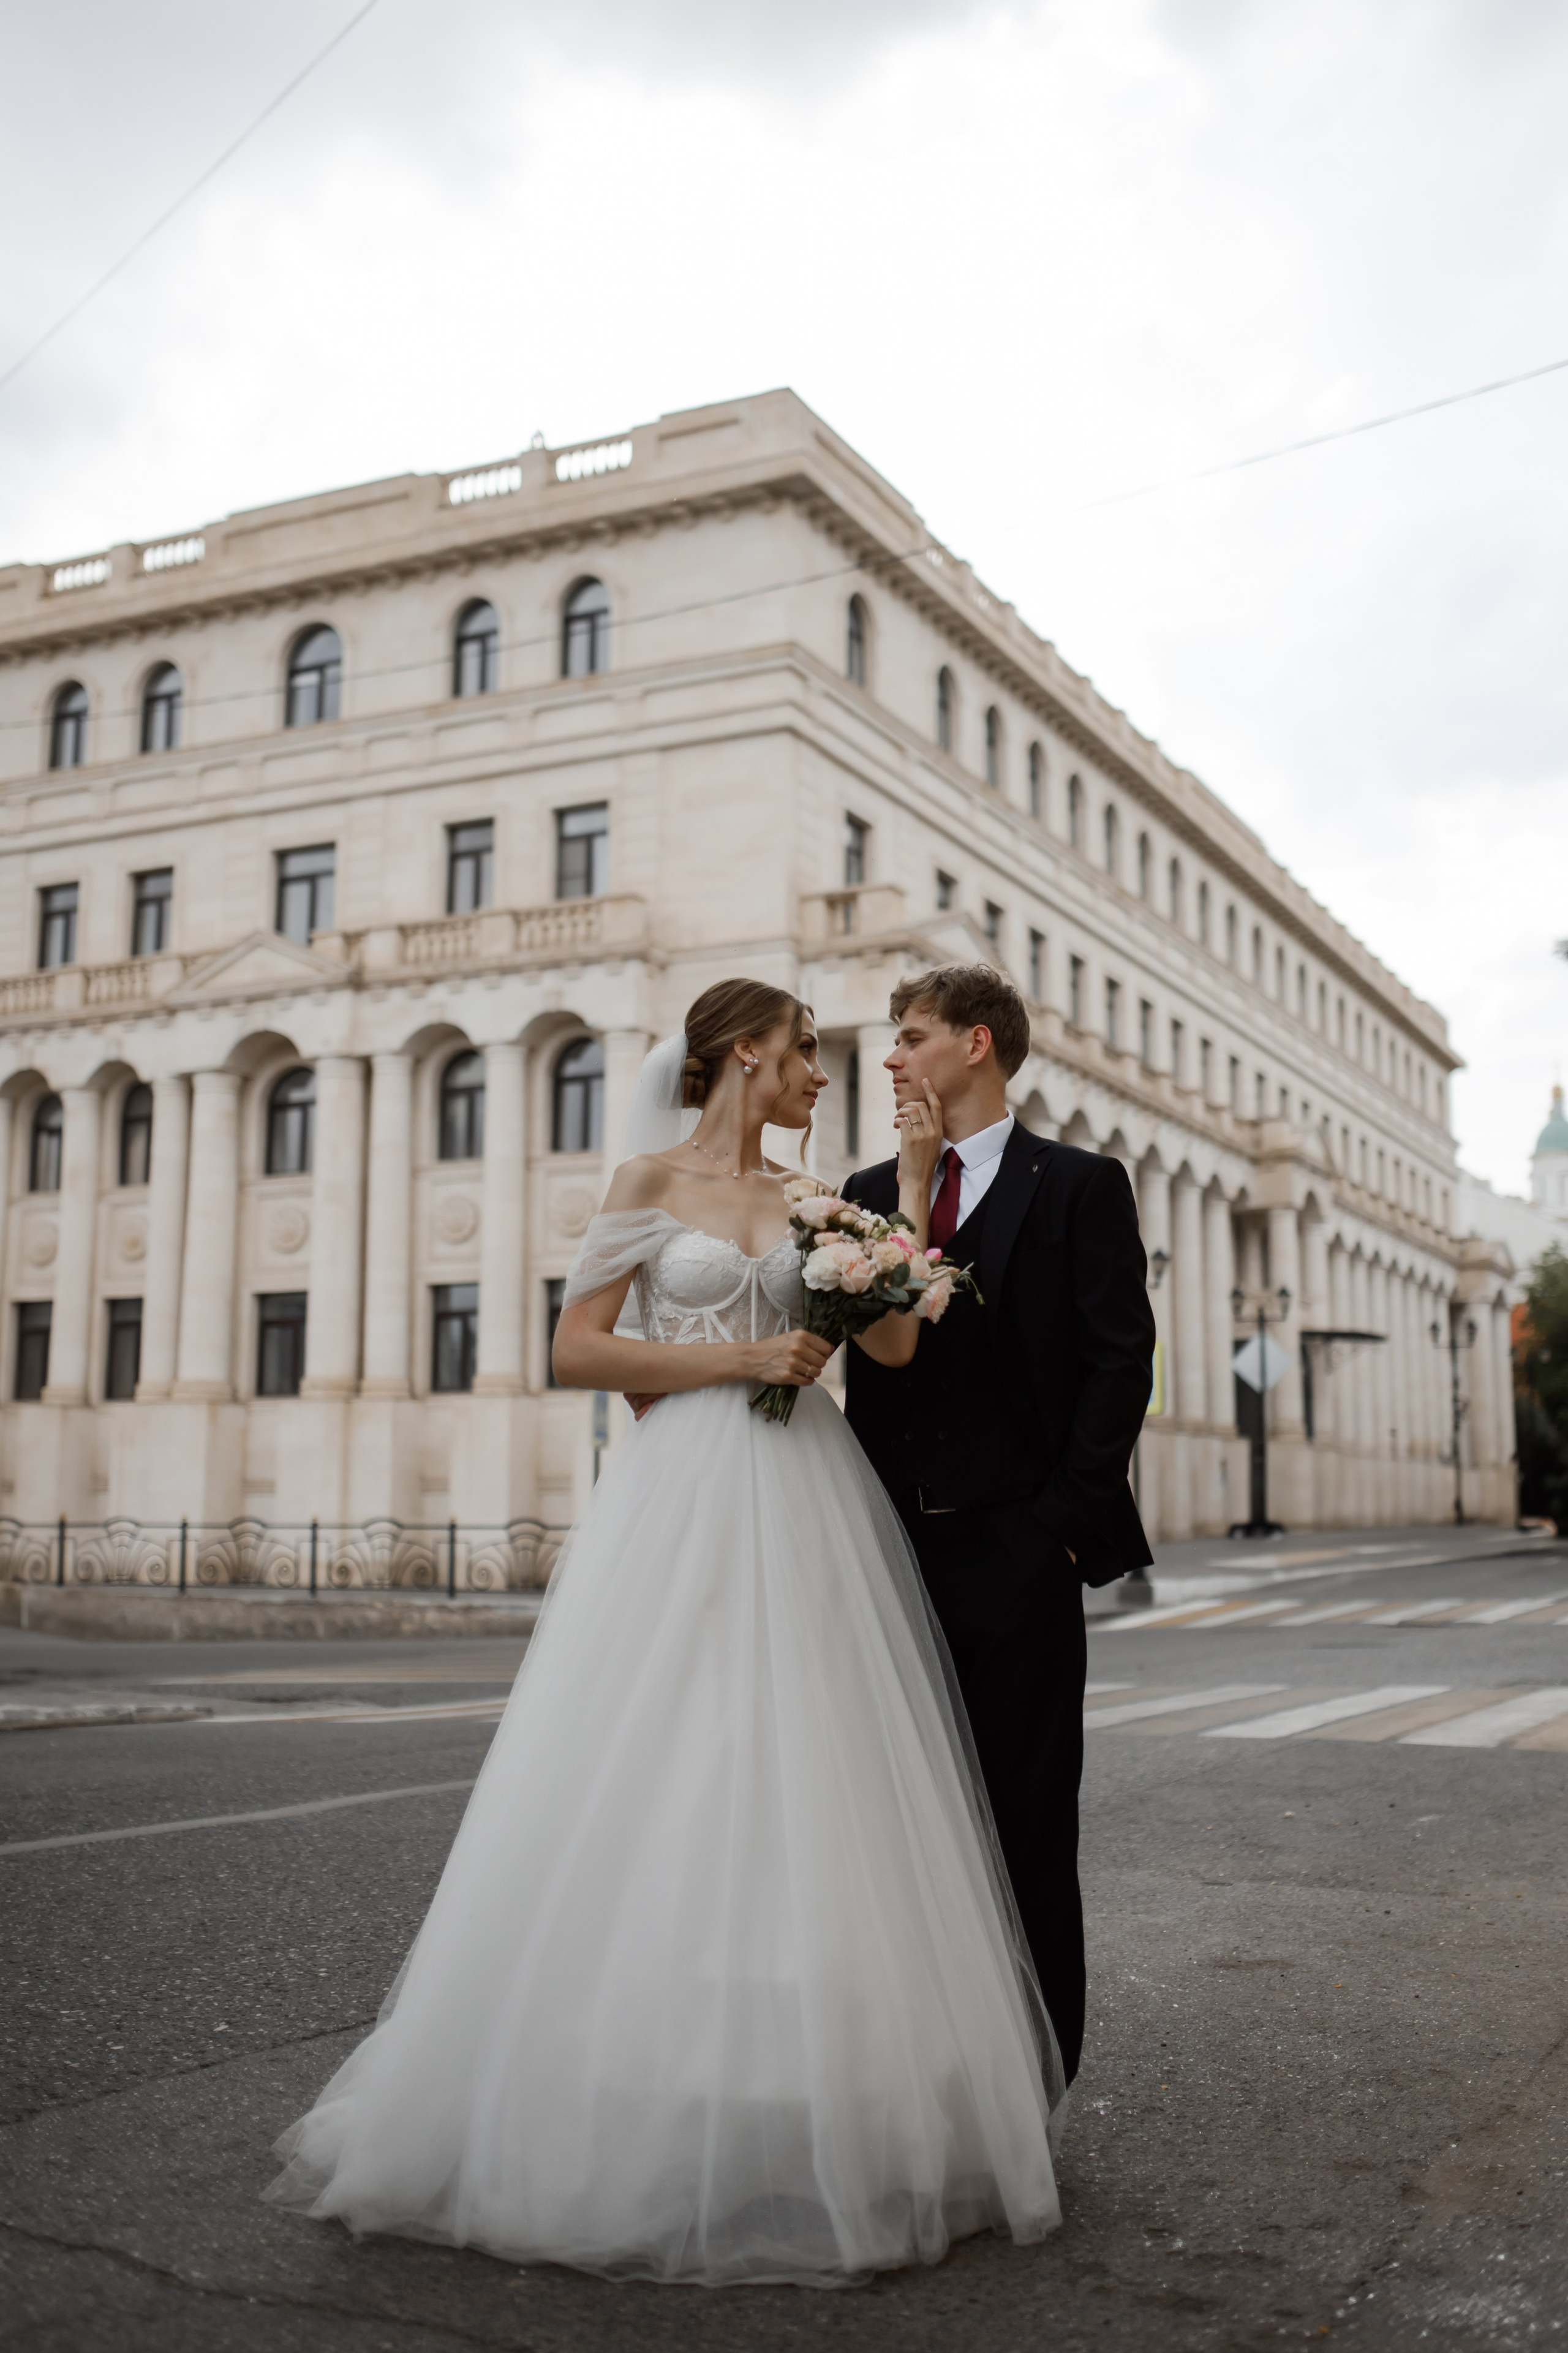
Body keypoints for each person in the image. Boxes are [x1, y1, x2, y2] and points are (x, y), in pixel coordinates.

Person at [265, 978, 1065, 2287]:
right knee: (663, 1752)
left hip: (808, 1497)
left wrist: (911, 1183)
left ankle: (794, 2080)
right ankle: (630, 2075)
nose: (822, 1073)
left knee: (808, 1761)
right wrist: (739, 1363)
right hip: (683, 1488)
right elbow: (577, 1349)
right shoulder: (644, 1178)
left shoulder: (817, 1199)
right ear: (741, 1055)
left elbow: (909, 1346)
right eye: (805, 1051)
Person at [843, 964, 1156, 2090]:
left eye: (911, 1036)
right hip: (882, 1553)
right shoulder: (870, 1188)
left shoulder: (1078, 1184)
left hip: (1018, 1553)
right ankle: (922, 2075)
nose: (891, 1057)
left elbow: (1120, 1364)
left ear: (977, 1044)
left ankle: (1036, 2084)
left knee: (1026, 1825)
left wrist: (1060, 1531)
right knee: (899, 1825)